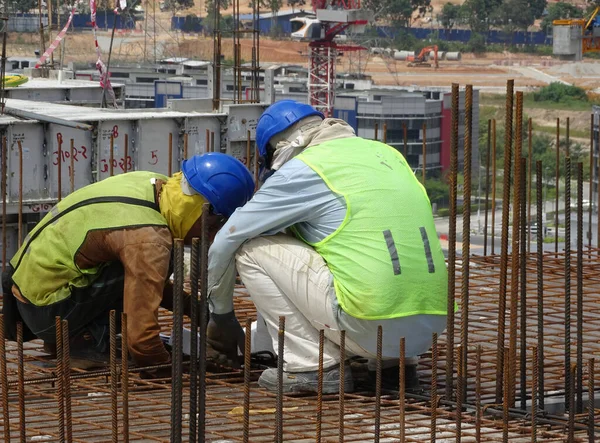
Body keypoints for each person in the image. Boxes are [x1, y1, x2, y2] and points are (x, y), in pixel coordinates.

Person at [206, 100, 449, 394]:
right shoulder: (388, 155)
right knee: (347, 242)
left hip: (370, 326)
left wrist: (220, 315)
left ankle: (311, 366)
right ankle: (394, 369)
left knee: (250, 249)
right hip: (429, 326)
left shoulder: (302, 170)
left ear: (276, 148)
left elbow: (226, 239)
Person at [2, 153, 254, 377]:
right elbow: (141, 339)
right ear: (203, 209)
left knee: (148, 263)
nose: (213, 236)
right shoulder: (149, 238)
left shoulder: (155, 185)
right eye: (215, 225)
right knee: (161, 258)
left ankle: (72, 337)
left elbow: (140, 278)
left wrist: (196, 310)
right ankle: (83, 344)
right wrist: (167, 365)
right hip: (50, 311)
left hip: (31, 295)